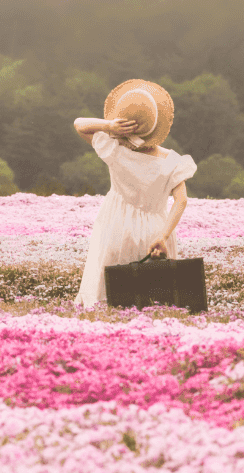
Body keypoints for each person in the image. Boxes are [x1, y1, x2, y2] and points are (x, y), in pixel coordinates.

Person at [71, 80, 196, 308]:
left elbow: (79, 124)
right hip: (156, 229)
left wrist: (109, 126)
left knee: (110, 293)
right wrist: (163, 237)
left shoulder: (114, 150)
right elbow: (181, 201)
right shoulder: (173, 162)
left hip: (116, 224)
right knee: (156, 296)